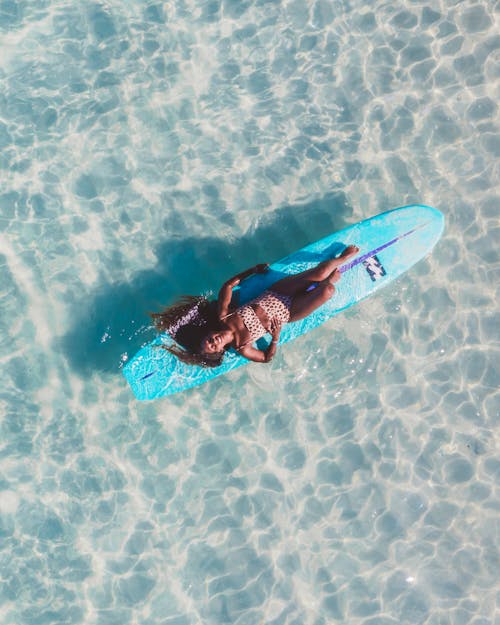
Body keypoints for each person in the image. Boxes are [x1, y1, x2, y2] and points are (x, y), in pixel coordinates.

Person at [151, 245, 359, 367]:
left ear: (210, 333)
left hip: (279, 292)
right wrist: (276, 337)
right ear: (220, 350)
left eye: (209, 339)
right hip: (289, 313)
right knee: (327, 291)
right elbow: (266, 358)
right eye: (214, 346)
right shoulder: (242, 348)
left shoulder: (224, 316)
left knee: (321, 273)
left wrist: (253, 270)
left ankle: (343, 259)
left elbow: (228, 286)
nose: (214, 341)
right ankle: (328, 281)